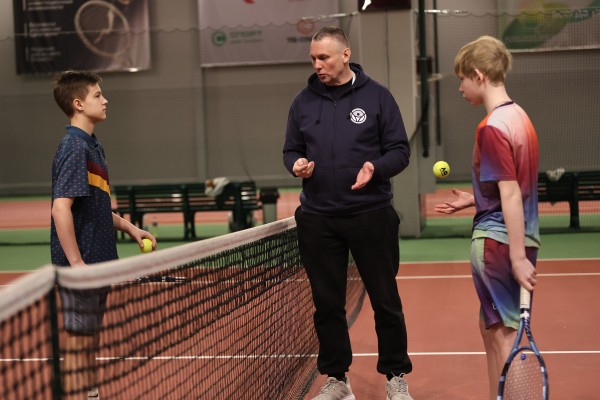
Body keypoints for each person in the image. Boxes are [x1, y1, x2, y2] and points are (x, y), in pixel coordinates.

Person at [283, 27, 413, 400]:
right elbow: (290, 150)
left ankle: (396, 376)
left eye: (323, 57)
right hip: (319, 219)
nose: (317, 64)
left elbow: (399, 150)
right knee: (327, 305)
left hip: (371, 215)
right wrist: (297, 165)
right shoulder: (302, 102)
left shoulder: (378, 97)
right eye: (313, 58)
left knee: (385, 301)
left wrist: (375, 167)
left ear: (345, 55)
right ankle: (337, 380)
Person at [434, 36, 540, 400]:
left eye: (462, 79)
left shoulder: (491, 127)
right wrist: (476, 199)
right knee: (490, 330)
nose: (460, 87)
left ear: (479, 75)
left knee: (505, 337)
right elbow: (511, 187)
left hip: (499, 244)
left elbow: (510, 193)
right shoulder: (520, 118)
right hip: (517, 236)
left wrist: (516, 257)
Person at [51, 70, 156, 399]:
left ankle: (90, 393)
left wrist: (131, 228)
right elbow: (60, 208)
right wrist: (76, 263)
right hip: (82, 266)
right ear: (79, 104)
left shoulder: (92, 145)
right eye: (98, 95)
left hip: (98, 261)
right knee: (79, 342)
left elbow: (95, 208)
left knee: (90, 338)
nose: (105, 100)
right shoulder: (74, 147)